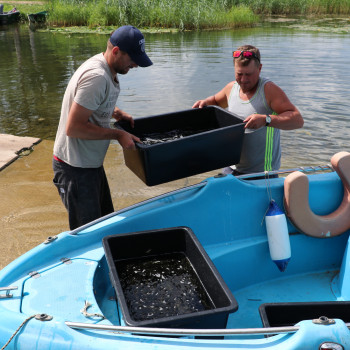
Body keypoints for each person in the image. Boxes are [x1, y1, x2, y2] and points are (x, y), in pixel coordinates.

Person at [53, 25, 152, 230]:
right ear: (116, 51)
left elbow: (90, 101)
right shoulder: (97, 77)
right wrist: (117, 134)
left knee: (105, 227)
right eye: (132, 58)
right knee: (89, 236)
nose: (135, 64)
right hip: (75, 169)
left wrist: (115, 112)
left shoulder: (106, 68)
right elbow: (73, 128)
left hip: (89, 166)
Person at [192, 44, 304, 179]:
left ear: (260, 68)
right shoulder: (231, 88)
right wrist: (205, 103)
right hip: (230, 168)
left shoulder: (268, 90)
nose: (244, 80)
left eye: (249, 74)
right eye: (239, 74)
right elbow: (215, 101)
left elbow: (297, 120)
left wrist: (266, 120)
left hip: (262, 174)